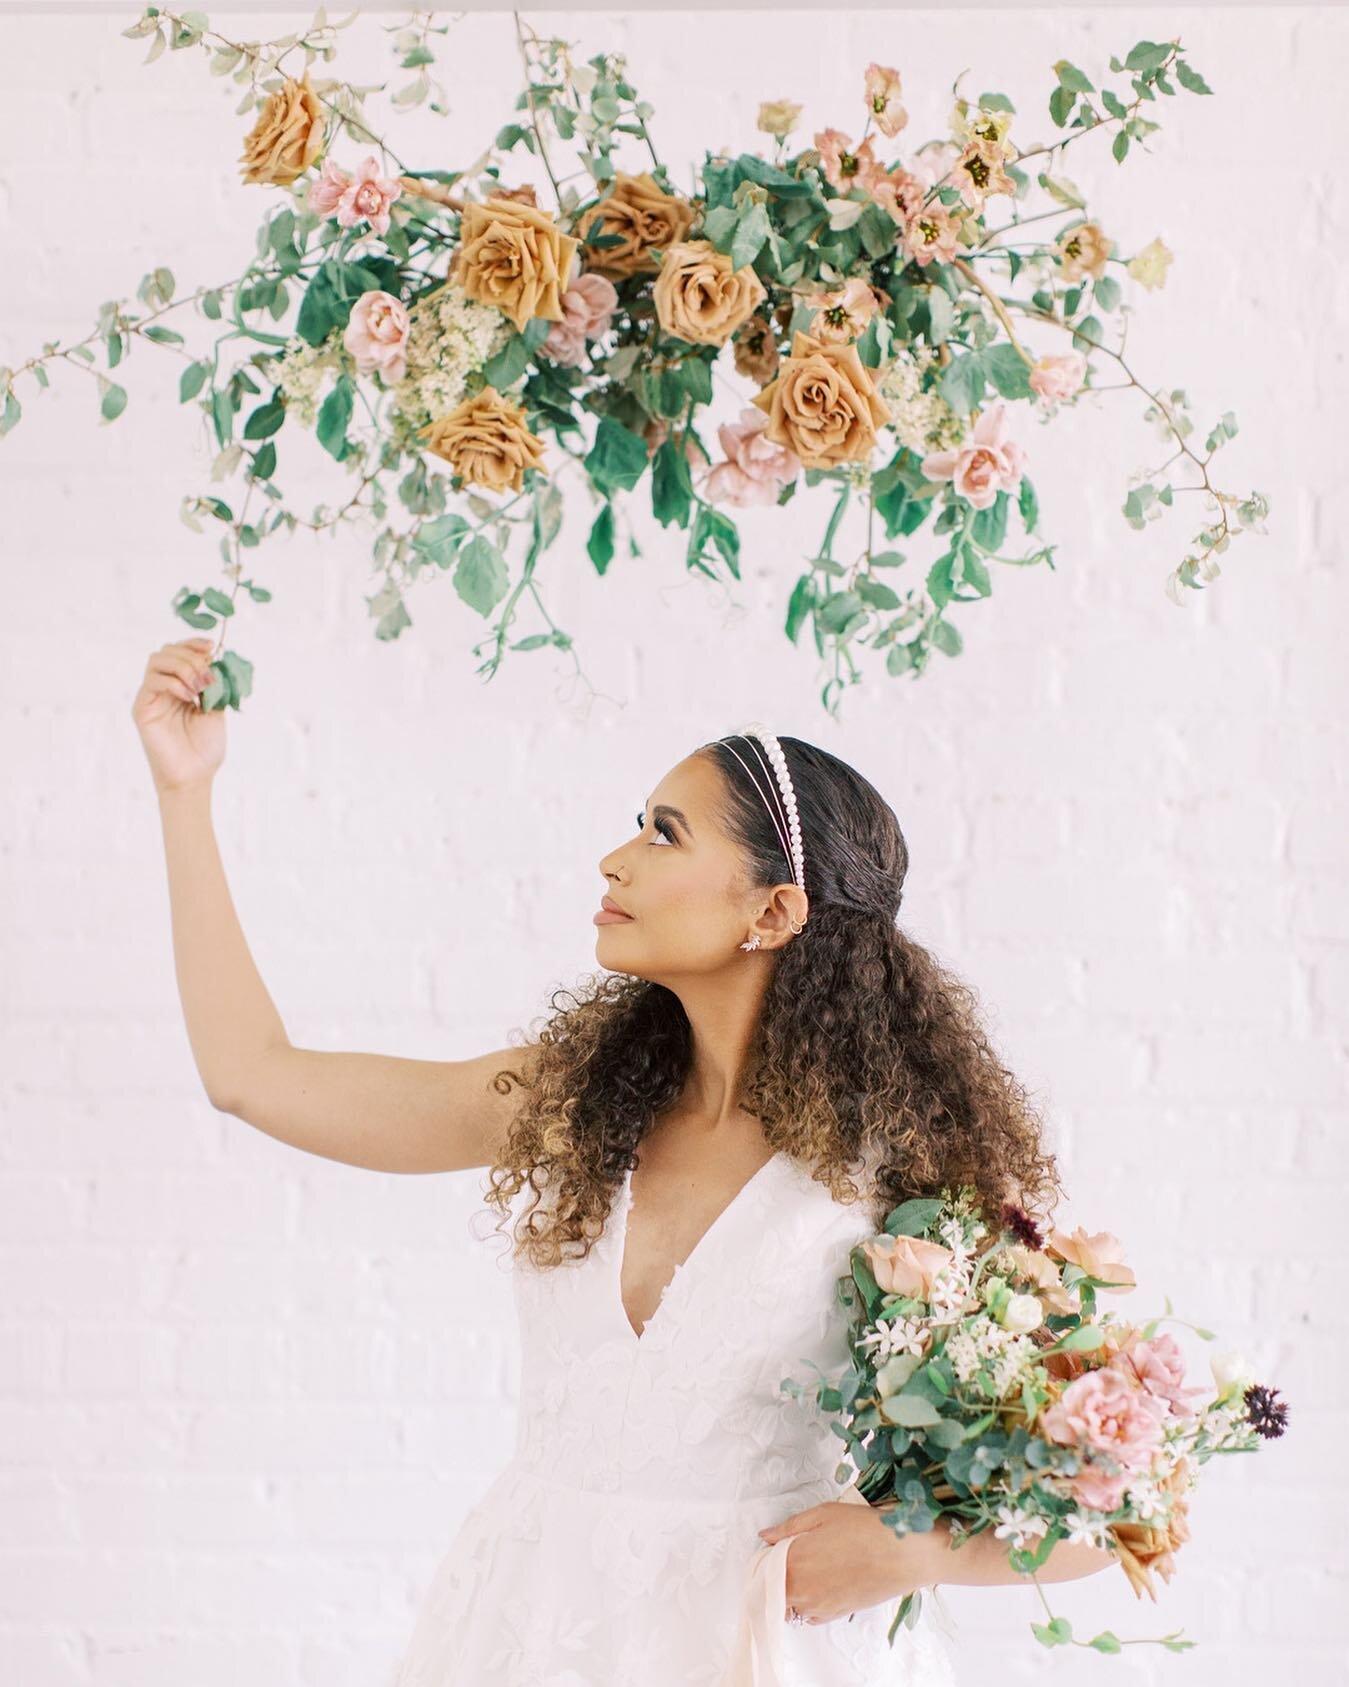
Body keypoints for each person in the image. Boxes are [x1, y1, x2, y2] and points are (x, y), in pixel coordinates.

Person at [132, 638, 1111, 1685]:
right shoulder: (570, 1103)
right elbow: (252, 1073)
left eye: (662, 833)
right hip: (529, 1627)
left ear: (771, 909)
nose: (615, 858)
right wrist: (184, 794)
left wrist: (909, 1548)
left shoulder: (907, 1166)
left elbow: (1115, 1501)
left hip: (765, 1645)